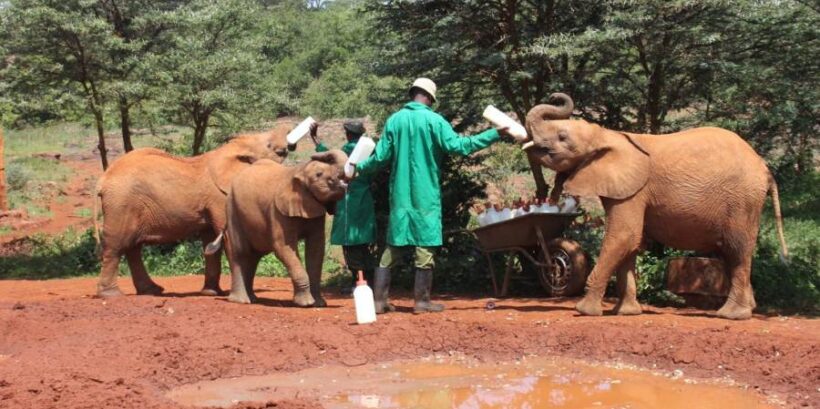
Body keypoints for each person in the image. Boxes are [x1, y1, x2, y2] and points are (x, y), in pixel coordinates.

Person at [354, 78, 510, 314]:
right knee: (425, 244)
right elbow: (459, 146)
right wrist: (494, 134)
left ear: (413, 94)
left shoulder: (394, 120)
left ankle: (378, 301)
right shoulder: (435, 120)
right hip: (426, 194)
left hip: (400, 195)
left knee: (394, 244)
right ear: (429, 98)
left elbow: (380, 157)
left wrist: (359, 167)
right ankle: (422, 302)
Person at [310, 121, 377, 294]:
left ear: (348, 134)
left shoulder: (347, 151)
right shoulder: (370, 150)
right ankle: (371, 280)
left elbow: (329, 158)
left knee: (350, 242)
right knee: (363, 243)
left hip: (349, 201)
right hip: (366, 200)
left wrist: (316, 140)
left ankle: (359, 282)